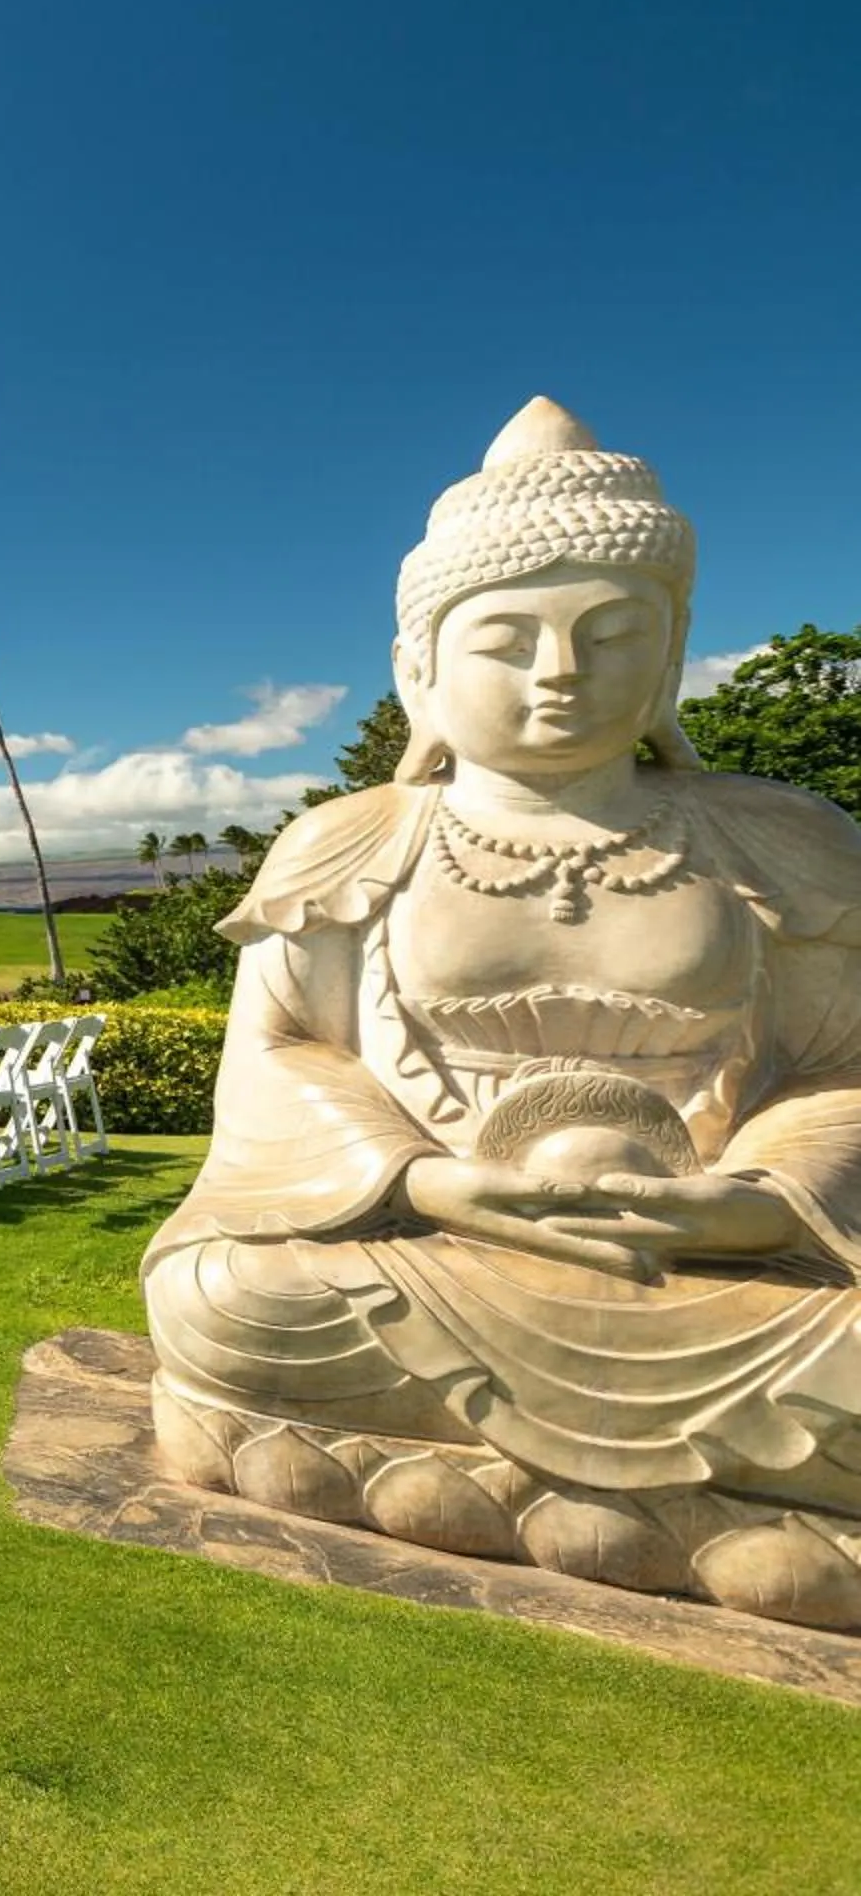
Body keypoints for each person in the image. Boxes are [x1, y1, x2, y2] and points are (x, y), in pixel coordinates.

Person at [143, 397, 861, 1620]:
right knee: (222, 1297)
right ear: (420, 663)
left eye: (612, 632)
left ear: (673, 649)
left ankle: (471, 1484)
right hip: (432, 1249)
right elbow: (276, 1055)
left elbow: (840, 1065)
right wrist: (428, 1183)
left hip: (736, 1263)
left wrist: (758, 1201)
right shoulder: (349, 845)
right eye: (508, 639)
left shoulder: (779, 840)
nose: (562, 673)